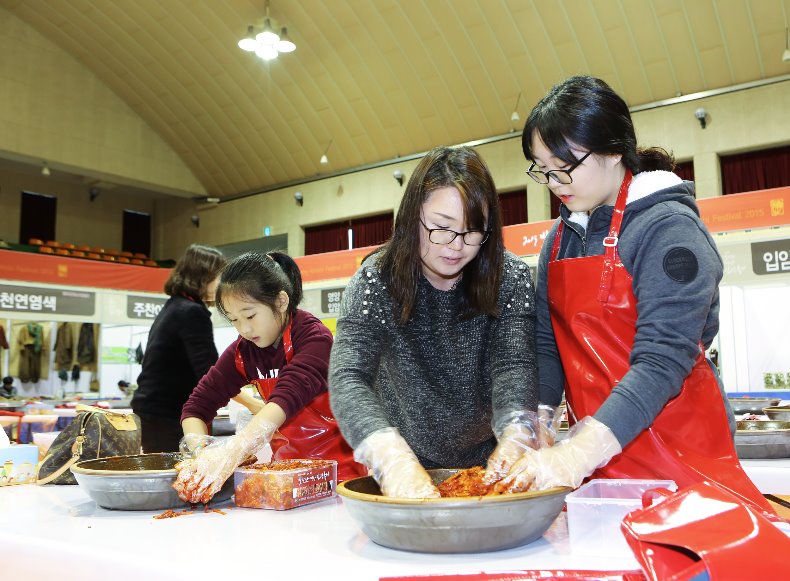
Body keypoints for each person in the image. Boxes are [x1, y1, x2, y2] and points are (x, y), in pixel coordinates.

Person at [498, 75, 776, 518]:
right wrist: (539, 424)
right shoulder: (559, 239)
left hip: (680, 449)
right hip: (602, 456)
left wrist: (580, 452)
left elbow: (663, 360)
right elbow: (548, 343)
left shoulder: (668, 228)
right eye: (541, 167)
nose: (553, 181)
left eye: (564, 164)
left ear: (611, 149)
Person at [328, 145, 540, 499]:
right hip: (403, 465)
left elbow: (514, 366)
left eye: (473, 231)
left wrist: (518, 434)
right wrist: (391, 458)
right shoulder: (376, 280)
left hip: (489, 464)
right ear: (413, 217)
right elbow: (348, 376)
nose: (456, 246)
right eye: (441, 228)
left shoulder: (510, 277)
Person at [174, 252, 365, 504]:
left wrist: (233, 450)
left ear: (281, 301)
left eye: (250, 315)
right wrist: (202, 456)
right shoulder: (243, 351)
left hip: (339, 480)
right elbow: (196, 407)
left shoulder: (315, 338)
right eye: (234, 320)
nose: (244, 329)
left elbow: (286, 398)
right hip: (284, 480)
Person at [131, 244, 226, 453]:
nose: (221, 285)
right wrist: (252, 404)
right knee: (172, 478)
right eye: (218, 277)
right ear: (203, 276)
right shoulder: (191, 312)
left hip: (154, 412)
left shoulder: (175, 306)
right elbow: (211, 373)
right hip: (166, 415)